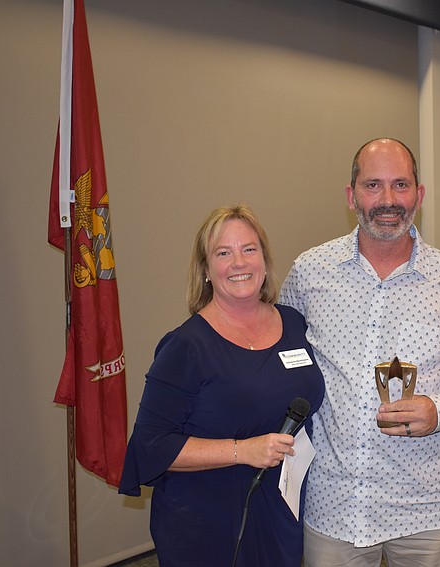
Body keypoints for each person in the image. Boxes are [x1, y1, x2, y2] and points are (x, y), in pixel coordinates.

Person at [279, 138, 440, 566]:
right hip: (334, 503)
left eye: (400, 185)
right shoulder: (310, 272)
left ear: (419, 195)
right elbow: (280, 354)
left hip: (426, 506)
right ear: (351, 196)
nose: (387, 200)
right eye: (373, 185)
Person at [119, 205, 325, 567]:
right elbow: (149, 446)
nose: (239, 263)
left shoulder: (293, 324)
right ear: (205, 270)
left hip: (279, 510)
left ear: (264, 258)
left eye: (249, 249)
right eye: (223, 253)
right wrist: (242, 451)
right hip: (207, 522)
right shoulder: (186, 346)